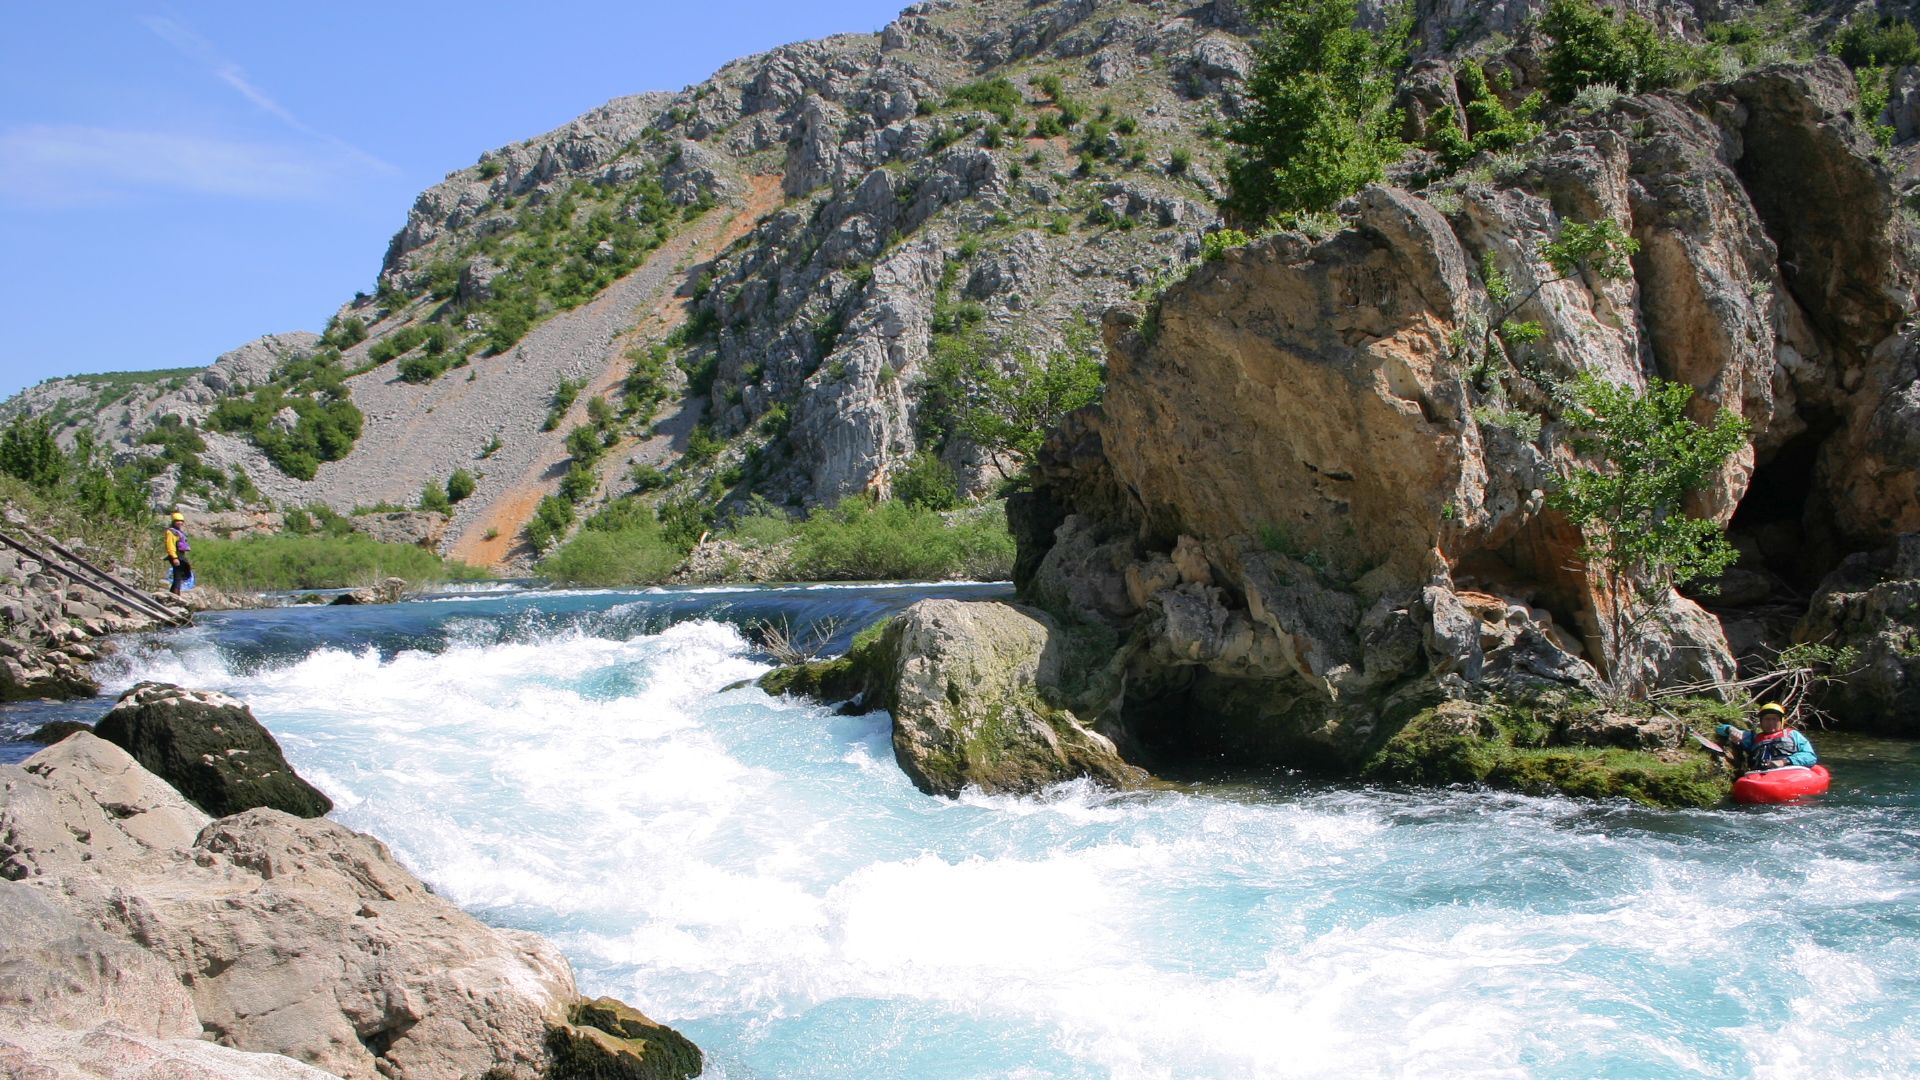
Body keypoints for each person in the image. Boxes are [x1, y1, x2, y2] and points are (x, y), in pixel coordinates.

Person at [1716, 702, 1816, 774]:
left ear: (1781, 721)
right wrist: (1730, 729)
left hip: (1791, 773)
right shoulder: (1752, 738)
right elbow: (1718, 729)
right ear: (1761, 721)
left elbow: (1810, 756)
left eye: (1774, 719)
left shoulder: (1793, 735)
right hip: (1761, 776)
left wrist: (1784, 761)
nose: (1770, 723)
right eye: (1767, 719)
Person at [164, 510, 193, 595]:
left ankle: (174, 593)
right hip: (175, 555)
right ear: (173, 522)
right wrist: (174, 557)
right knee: (177, 575)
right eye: (177, 521)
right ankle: (175, 594)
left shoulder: (179, 532)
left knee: (180, 575)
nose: (179, 523)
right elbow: (170, 546)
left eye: (181, 521)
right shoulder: (171, 532)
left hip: (180, 555)